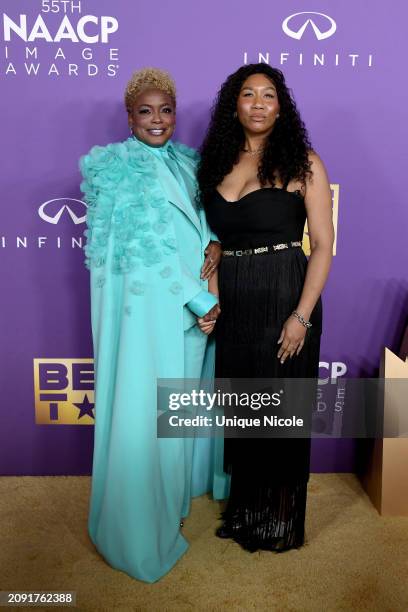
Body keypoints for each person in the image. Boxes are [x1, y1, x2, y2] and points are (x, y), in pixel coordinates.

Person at [79, 67, 223, 582]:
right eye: (146, 111)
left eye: (166, 110)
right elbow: (145, 252)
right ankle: (141, 527)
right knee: (148, 415)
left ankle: (171, 505)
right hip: (153, 315)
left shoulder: (188, 164)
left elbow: (206, 227)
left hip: (192, 317)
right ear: (129, 116)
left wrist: (216, 251)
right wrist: (198, 299)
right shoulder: (115, 167)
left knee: (177, 416)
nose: (157, 119)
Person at [197, 63, 334, 552]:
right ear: (234, 104)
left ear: (281, 106)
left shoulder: (304, 162)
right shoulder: (215, 163)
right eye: (248, 94)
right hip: (235, 298)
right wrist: (213, 268)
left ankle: (279, 516)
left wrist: (301, 316)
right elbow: (211, 237)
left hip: (284, 292)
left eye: (268, 95)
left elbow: (322, 244)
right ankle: (247, 509)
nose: (258, 103)